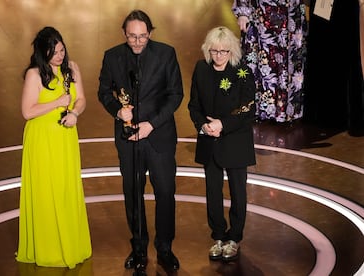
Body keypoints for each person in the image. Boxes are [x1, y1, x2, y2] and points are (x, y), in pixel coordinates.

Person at [97, 9, 183, 272]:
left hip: (159, 137)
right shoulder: (112, 57)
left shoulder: (166, 54)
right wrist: (117, 110)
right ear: (124, 34)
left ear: (151, 33)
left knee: (165, 193)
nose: (137, 42)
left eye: (142, 36)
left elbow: (175, 95)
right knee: (133, 195)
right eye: (132, 36)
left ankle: (165, 249)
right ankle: (139, 249)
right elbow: (104, 92)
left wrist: (151, 124)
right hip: (128, 139)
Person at [16, 26, 91, 268]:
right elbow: (28, 112)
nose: (60, 55)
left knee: (65, 188)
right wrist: (58, 103)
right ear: (42, 52)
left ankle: (70, 243)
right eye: (54, 52)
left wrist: (75, 113)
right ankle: (49, 248)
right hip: (42, 140)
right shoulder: (35, 74)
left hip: (65, 136)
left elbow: (81, 99)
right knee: (46, 190)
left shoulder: (72, 68)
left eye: (62, 49)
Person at [188, 26, 256, 262]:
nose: (218, 56)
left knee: (238, 193)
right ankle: (218, 236)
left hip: (235, 141)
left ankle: (234, 238)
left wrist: (222, 125)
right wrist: (203, 126)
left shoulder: (243, 73)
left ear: (232, 51)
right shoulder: (201, 69)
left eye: (223, 51)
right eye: (214, 51)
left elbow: (248, 110)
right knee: (212, 192)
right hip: (210, 141)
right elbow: (193, 105)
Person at [232, 0, 308, 122]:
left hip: (292, 15)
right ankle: (261, 110)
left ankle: (286, 111)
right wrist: (243, 12)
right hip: (263, 15)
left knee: (291, 63)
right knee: (265, 62)